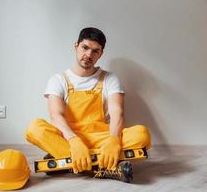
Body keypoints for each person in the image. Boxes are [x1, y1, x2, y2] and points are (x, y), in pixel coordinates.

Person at [25, 27, 151, 177]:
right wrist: (74, 140)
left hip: (100, 137)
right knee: (35, 128)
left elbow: (118, 113)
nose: (88, 54)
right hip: (69, 137)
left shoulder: (110, 79)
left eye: (95, 51)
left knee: (142, 134)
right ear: (76, 46)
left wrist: (114, 140)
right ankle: (103, 168)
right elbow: (56, 116)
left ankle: (67, 160)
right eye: (85, 47)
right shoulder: (58, 80)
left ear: (101, 54)